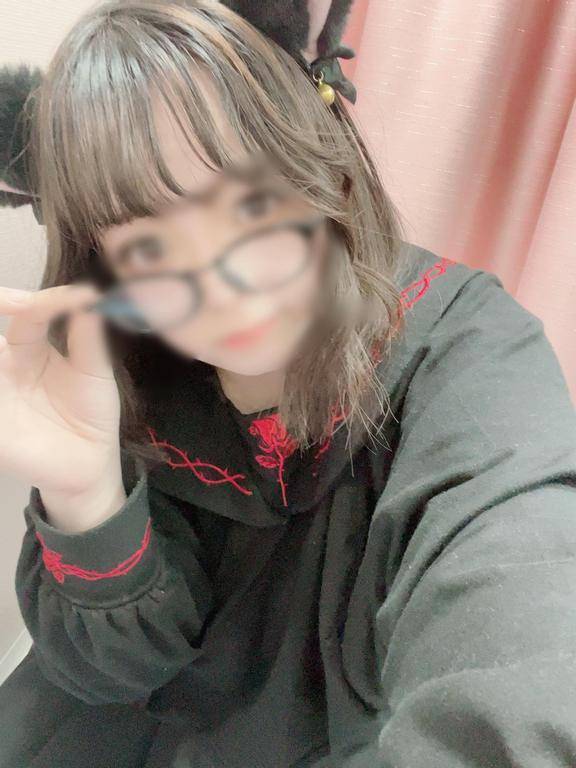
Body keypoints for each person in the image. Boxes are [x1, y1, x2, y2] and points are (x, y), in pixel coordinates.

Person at [0, 1, 575, 767]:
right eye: (150, 246)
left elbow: (523, 660)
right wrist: (85, 496)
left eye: (251, 202)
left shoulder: (465, 353)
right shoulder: (120, 370)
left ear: (316, 160)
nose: (222, 282)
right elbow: (110, 679)